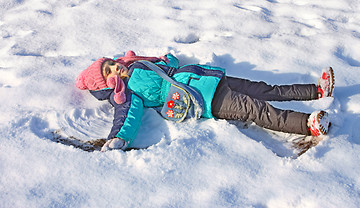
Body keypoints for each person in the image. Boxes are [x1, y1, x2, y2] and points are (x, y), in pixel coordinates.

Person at [76, 51, 334, 152]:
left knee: (264, 89)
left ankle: (316, 91)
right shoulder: (126, 94)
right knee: (257, 109)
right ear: (106, 84)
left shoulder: (140, 64)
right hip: (203, 99)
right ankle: (307, 125)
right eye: (108, 72)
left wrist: (167, 58)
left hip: (210, 79)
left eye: (111, 64)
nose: (114, 69)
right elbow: (127, 115)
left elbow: (170, 66)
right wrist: (119, 137)